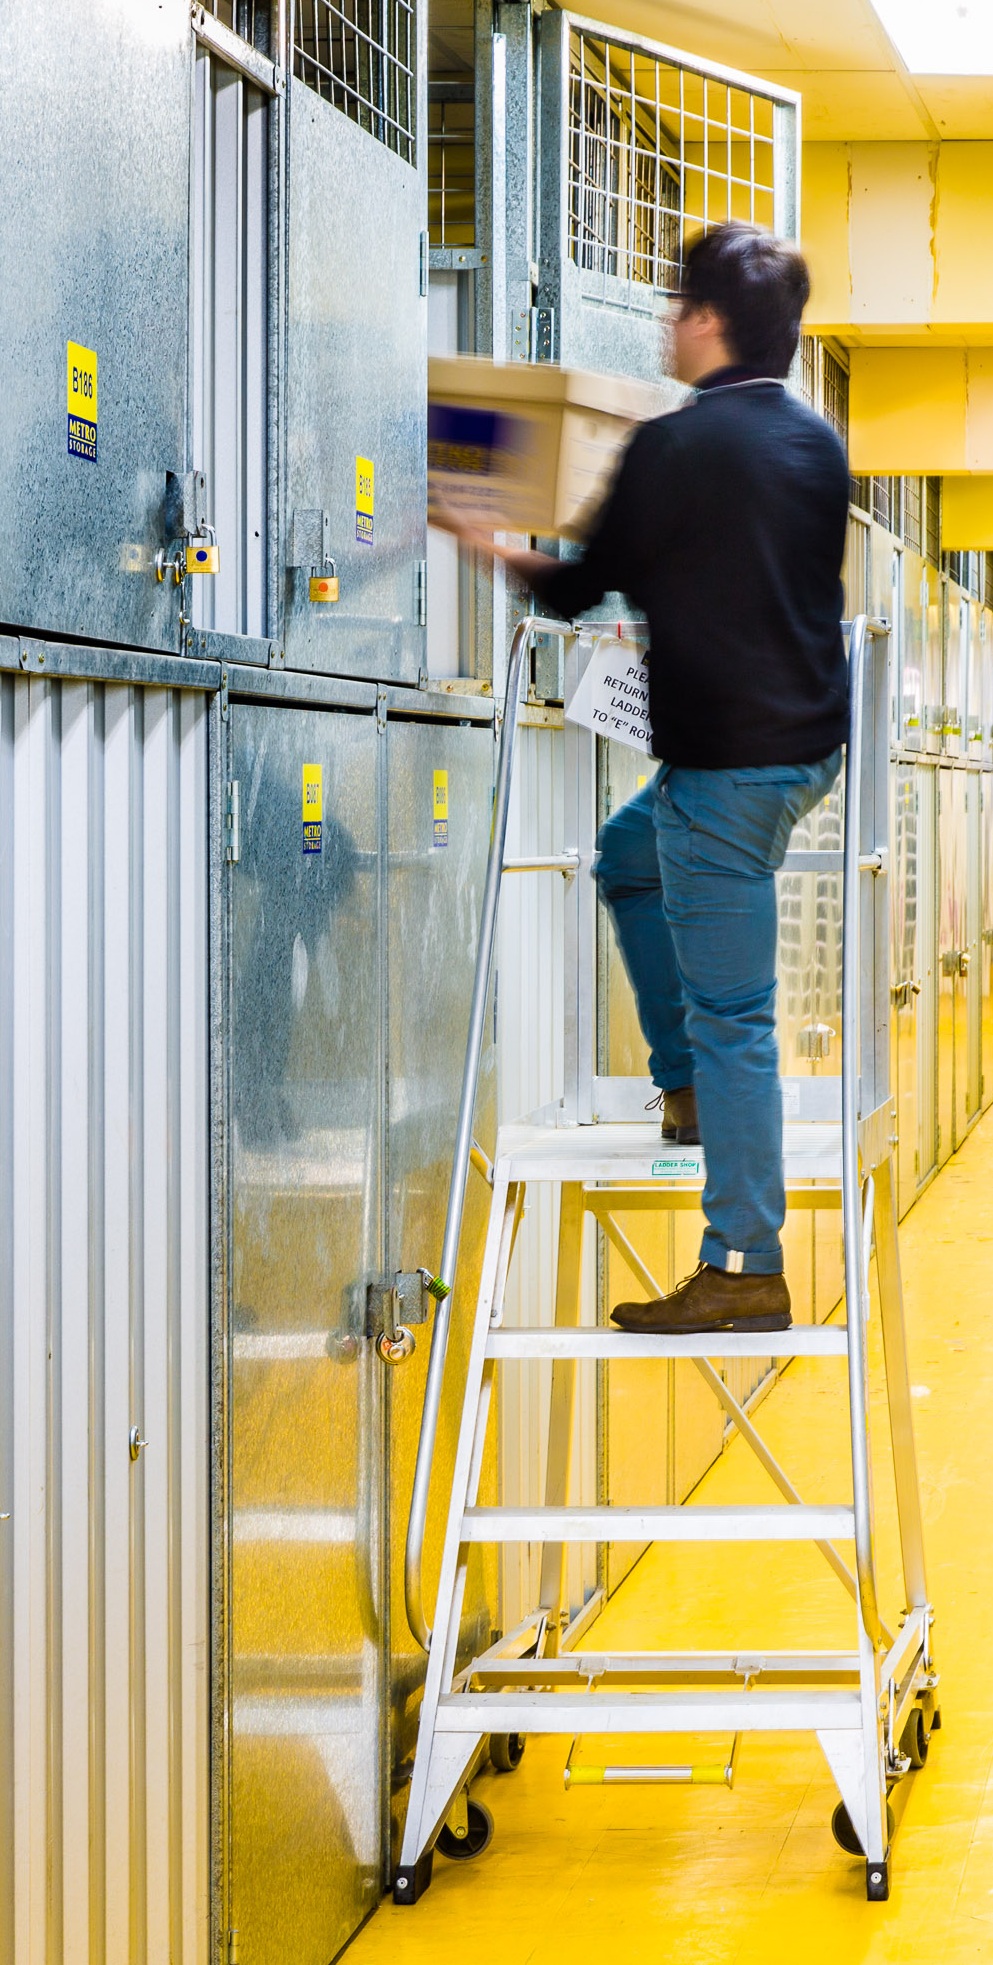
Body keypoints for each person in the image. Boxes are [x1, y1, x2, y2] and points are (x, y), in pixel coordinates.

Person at [434, 222, 850, 1335]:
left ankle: (746, 1260)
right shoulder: (814, 446)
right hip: (802, 750)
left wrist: (486, 541)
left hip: (726, 770)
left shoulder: (674, 447)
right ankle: (686, 1091)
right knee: (627, 856)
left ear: (708, 324)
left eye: (676, 307)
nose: (668, 323)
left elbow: (577, 593)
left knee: (736, 1018)